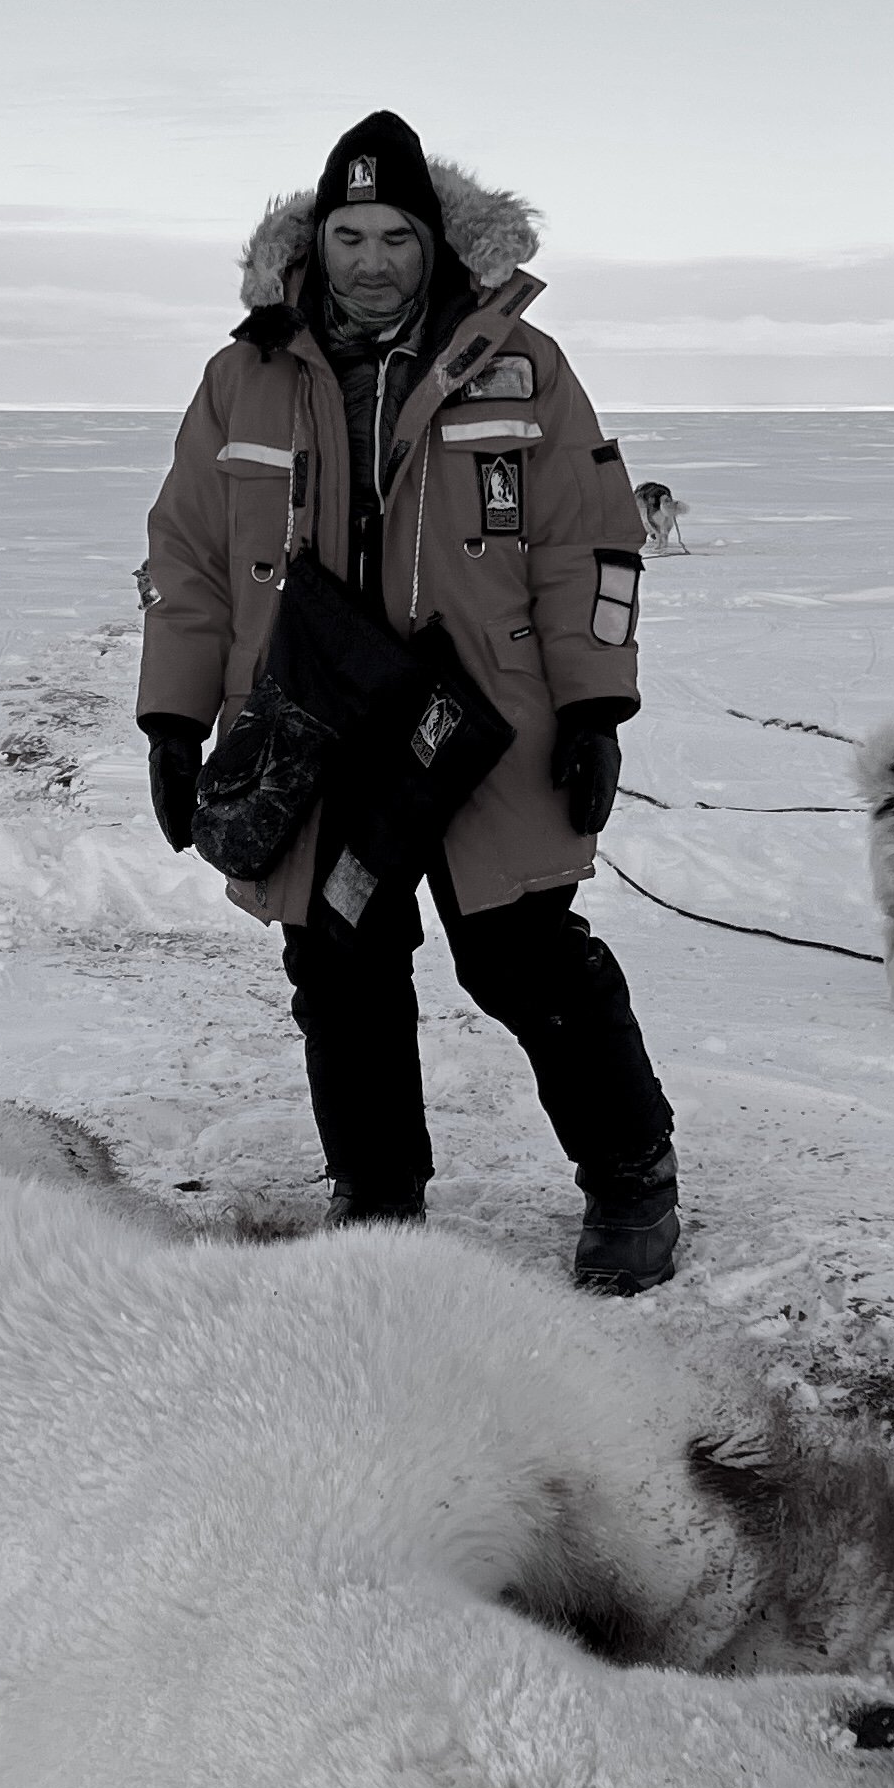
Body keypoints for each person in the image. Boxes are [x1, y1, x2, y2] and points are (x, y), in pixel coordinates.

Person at [136, 110, 680, 1288]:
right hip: (315, 724)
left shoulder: (522, 368)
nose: (372, 261)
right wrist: (174, 719)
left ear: (433, 243)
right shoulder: (244, 381)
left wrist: (595, 710)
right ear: (312, 243)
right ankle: (380, 1201)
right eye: (349, 234)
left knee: (518, 957)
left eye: (395, 235)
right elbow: (186, 558)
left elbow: (594, 546)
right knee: (342, 964)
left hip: (481, 724)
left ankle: (633, 1175)